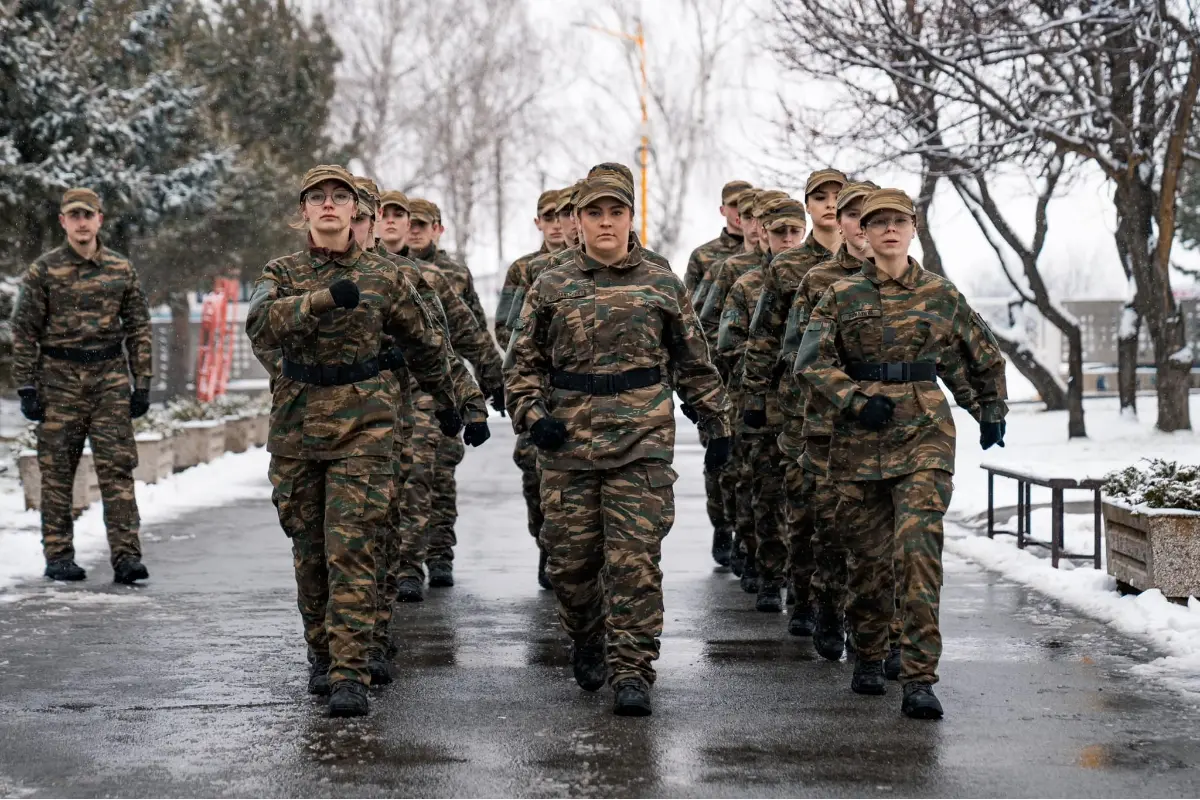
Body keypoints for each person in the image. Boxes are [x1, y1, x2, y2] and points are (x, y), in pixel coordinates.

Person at [505, 166, 731, 717]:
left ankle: (632, 669)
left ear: (631, 218)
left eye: (616, 212)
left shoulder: (660, 281)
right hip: (567, 444)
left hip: (642, 438)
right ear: (578, 221)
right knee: (572, 564)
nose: (606, 223)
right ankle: (586, 636)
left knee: (634, 560)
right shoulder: (551, 284)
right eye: (593, 213)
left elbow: (694, 361)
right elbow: (522, 367)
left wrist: (716, 422)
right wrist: (535, 417)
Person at [247, 164, 460, 718]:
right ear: (304, 212)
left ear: (353, 210)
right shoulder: (283, 271)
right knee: (309, 550)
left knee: (353, 546)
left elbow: (425, 341)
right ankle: (322, 653)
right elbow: (261, 326)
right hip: (296, 428)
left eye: (339, 197)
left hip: (366, 425)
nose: (328, 206)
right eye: (317, 198)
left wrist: (452, 400)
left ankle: (351, 670)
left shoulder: (384, 275)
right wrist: (321, 300)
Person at [797, 188, 1008, 719]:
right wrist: (853, 399)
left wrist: (990, 408)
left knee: (919, 556)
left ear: (913, 230)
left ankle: (919, 678)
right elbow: (811, 361)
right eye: (878, 223)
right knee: (868, 563)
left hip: (924, 437)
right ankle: (868, 653)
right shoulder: (841, 295)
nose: (889, 230)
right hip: (859, 443)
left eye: (899, 221)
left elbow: (980, 353)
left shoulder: (940, 293)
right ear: (862, 235)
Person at [350, 181, 488, 682]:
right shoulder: (304, 276)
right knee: (342, 534)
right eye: (371, 214)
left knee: (418, 483)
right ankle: (335, 646)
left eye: (388, 215)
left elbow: (456, 340)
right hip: (335, 420)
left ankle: (412, 575)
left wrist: (476, 396)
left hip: (415, 402)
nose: (380, 223)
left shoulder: (421, 278)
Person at [11, 187, 153, 585]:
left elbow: (139, 327)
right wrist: (26, 386)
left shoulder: (120, 270)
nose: (81, 222)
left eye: (87, 215)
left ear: (99, 219)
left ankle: (127, 557)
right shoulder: (44, 270)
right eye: (73, 216)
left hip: (108, 379)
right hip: (58, 379)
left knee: (117, 470)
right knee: (57, 473)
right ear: (63, 222)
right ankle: (58, 555)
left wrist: (142, 383)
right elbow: (24, 330)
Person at [775, 180, 879, 660]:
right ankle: (828, 606)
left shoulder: (914, 280)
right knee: (830, 528)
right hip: (824, 423)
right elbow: (796, 351)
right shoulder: (818, 281)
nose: (860, 224)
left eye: (870, 215)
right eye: (853, 215)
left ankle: (879, 634)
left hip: (890, 428)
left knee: (884, 537)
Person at [741, 167, 847, 636]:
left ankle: (842, 604)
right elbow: (763, 339)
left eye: (837, 196)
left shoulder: (868, 263)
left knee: (849, 512)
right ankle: (804, 595)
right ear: (808, 206)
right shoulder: (786, 268)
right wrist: (755, 397)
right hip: (798, 405)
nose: (828, 203)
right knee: (803, 507)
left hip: (857, 406)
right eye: (819, 196)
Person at [406, 198, 504, 587]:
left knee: (437, 474)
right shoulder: (384, 270)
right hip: (394, 388)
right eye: (404, 221)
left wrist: (490, 381)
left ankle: (439, 550)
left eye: (420, 223)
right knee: (410, 476)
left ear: (437, 229)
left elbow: (472, 331)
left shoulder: (451, 275)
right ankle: (404, 564)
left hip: (439, 386)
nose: (413, 229)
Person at [716, 195, 805, 611]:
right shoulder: (745, 283)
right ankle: (769, 573)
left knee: (806, 501)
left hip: (810, 410)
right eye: (780, 232)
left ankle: (805, 588)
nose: (788, 240)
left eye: (794, 232)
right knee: (764, 492)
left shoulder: (823, 280)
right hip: (762, 406)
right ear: (764, 236)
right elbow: (727, 343)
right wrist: (763, 371)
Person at [495, 188, 567, 588]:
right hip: (536, 382)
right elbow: (505, 324)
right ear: (538, 222)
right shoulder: (524, 270)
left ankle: (571, 555)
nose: (557, 224)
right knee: (533, 472)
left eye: (563, 215)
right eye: (548, 216)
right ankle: (546, 543)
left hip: (577, 390)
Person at [685, 179, 751, 294]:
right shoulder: (702, 255)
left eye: (746, 205)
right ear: (722, 210)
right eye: (734, 204)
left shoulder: (768, 250)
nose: (741, 210)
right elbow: (689, 305)